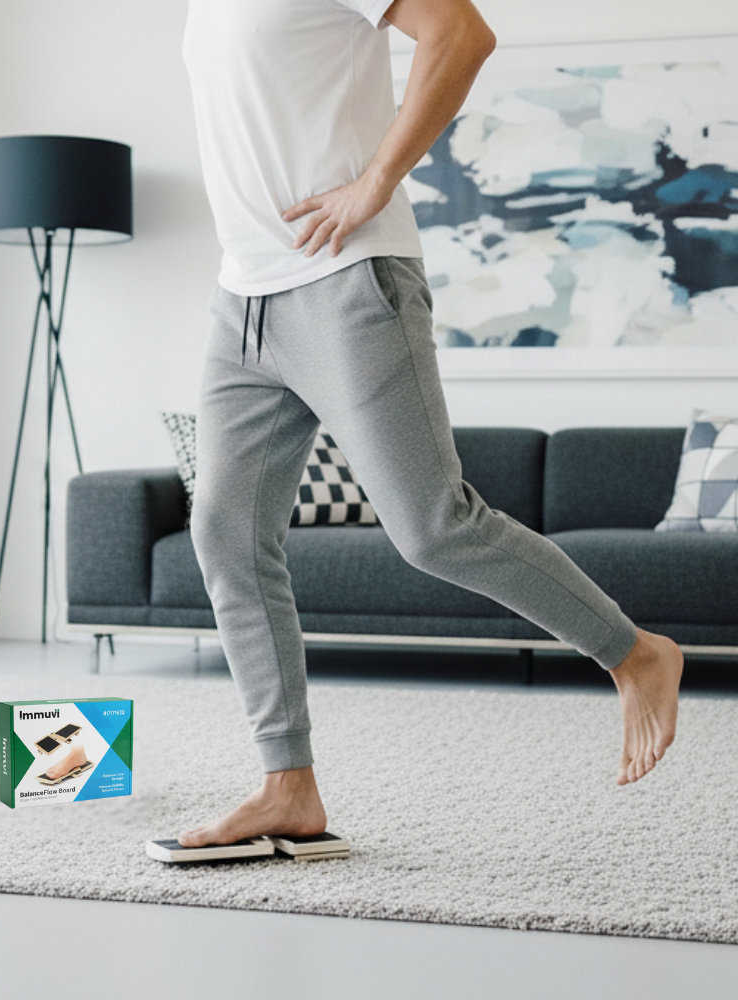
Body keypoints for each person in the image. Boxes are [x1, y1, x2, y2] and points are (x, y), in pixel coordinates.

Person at [177, 0, 684, 849]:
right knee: (224, 533)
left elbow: (462, 33)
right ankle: (287, 785)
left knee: (433, 528)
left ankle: (635, 652)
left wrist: (376, 180)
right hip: (243, 300)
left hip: (346, 278)